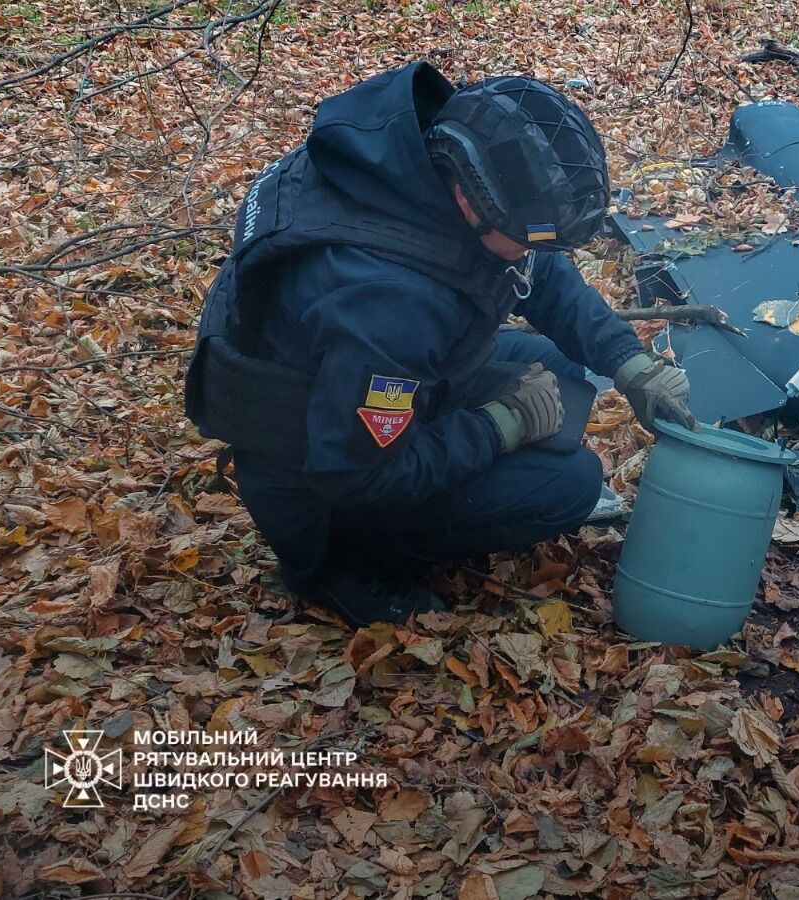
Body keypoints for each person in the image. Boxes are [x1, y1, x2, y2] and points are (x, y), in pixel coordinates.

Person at [184, 62, 694, 626]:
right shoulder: (386, 303)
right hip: (320, 488)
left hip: (339, 390)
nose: (534, 251)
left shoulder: (410, 159)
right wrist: (501, 427)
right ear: (473, 205)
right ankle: (351, 572)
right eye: (528, 238)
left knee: (553, 369)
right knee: (569, 484)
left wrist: (629, 361)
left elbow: (536, 273)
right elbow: (359, 477)